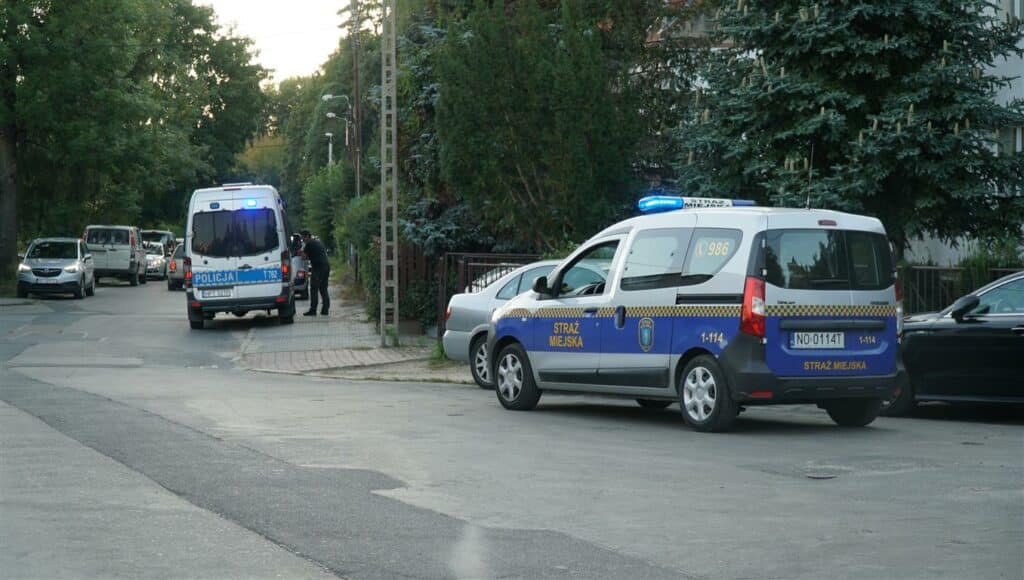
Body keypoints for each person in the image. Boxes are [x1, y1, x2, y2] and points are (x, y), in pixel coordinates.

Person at [300, 230, 330, 316]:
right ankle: (325, 310)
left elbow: (304, 257)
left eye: (303, 238)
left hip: (318, 268)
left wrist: (301, 252)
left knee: (314, 288)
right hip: (326, 266)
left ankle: (313, 310)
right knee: (323, 288)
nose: (303, 240)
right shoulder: (317, 242)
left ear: (307, 236)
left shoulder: (309, 244)